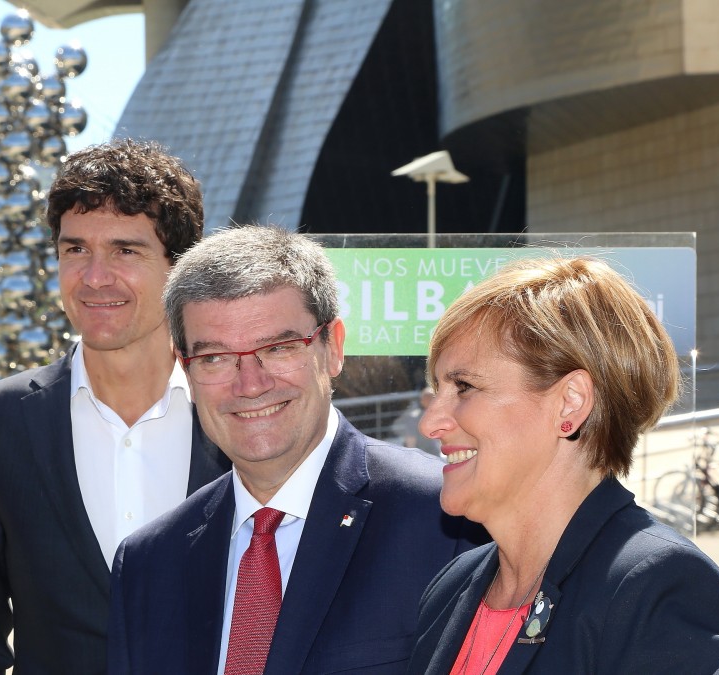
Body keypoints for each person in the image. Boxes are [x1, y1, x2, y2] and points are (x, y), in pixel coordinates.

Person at [107, 225, 484, 674]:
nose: (250, 384)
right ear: (185, 371)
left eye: (279, 348)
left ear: (334, 349)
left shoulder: (447, 521)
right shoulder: (149, 564)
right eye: (215, 358)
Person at [0, 138, 230, 674]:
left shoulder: (238, 409)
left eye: (125, 250)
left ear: (180, 266)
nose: (94, 277)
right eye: (76, 250)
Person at [408, 256, 719, 674]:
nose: (430, 422)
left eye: (464, 387)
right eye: (435, 389)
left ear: (570, 402)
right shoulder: (454, 586)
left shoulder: (652, 588)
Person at [394, 386, 441, 458]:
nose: (431, 400)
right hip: (422, 457)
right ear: (422, 401)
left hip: (435, 455)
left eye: (433, 398)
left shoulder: (439, 416)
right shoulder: (414, 418)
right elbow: (410, 443)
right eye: (429, 398)